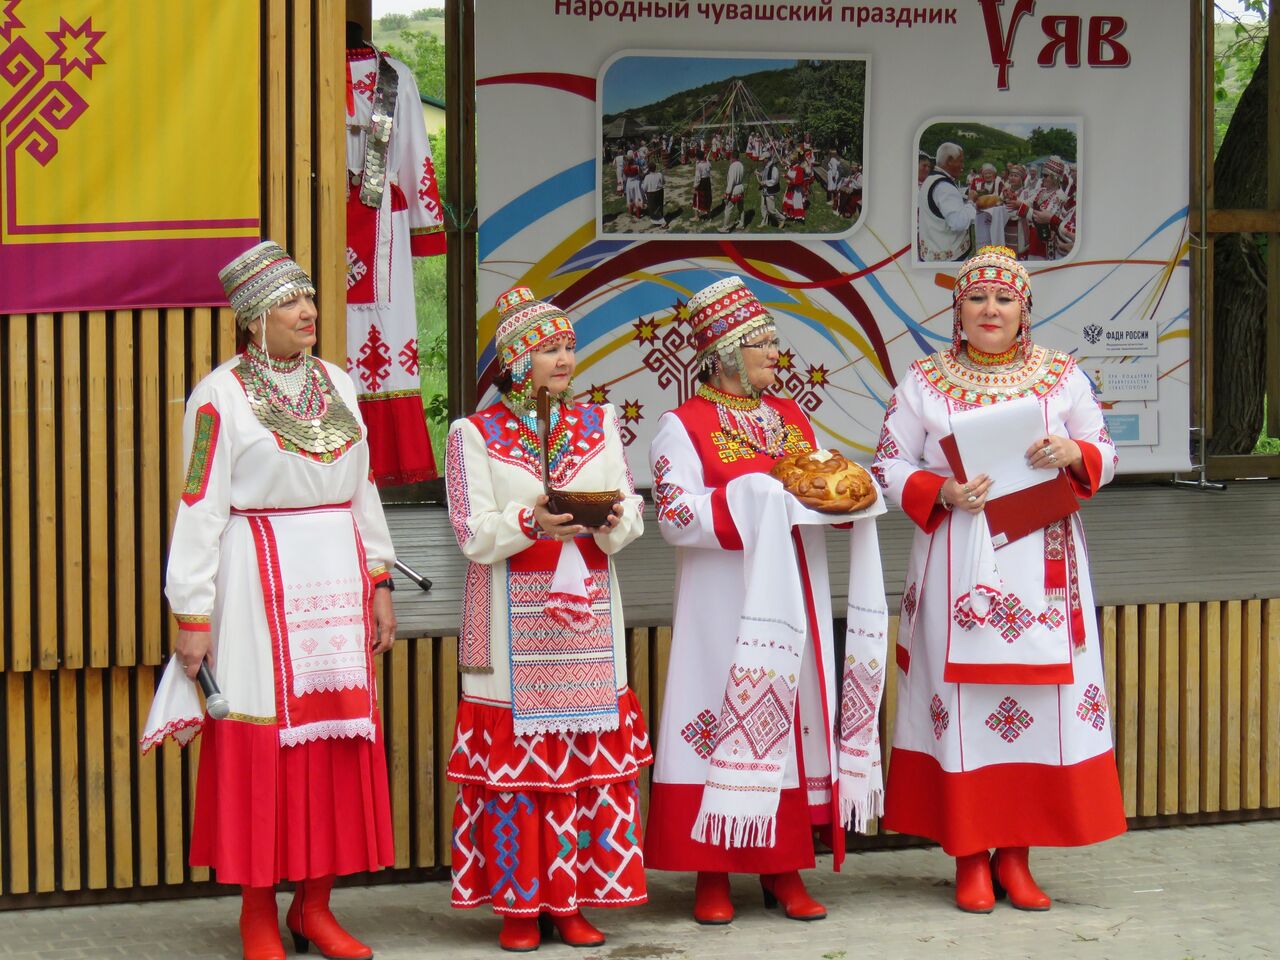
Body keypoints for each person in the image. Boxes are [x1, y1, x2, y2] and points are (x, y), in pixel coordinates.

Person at [141, 241, 397, 960]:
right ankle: (257, 911)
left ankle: (315, 907)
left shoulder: (340, 387)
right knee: (261, 744)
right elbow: (199, 506)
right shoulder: (217, 397)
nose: (308, 311)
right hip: (256, 586)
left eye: (309, 298)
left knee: (335, 742)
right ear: (253, 319)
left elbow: (363, 489)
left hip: (335, 583)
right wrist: (192, 613)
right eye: (289, 302)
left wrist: (378, 579)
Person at [871, 245, 1126, 914]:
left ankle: (1016, 858)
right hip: (960, 562)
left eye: (1004, 299)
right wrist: (942, 489)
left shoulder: (1062, 377)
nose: (991, 309)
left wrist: (1076, 452)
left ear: (1025, 311)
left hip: (1041, 566)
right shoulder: (923, 380)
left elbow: (1105, 447)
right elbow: (886, 466)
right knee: (964, 712)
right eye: (978, 298)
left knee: (1039, 714)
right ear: (957, 309)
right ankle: (968, 859)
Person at [645, 276, 888, 926]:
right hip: (721, 602)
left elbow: (811, 491)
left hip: (789, 598)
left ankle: (784, 870)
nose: (775, 355)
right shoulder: (680, 426)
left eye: (775, 343)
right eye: (763, 344)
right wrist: (752, 498)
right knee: (721, 718)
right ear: (724, 350)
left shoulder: (788, 419)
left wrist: (843, 498)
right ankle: (712, 874)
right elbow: (673, 515)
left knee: (787, 720)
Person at [444, 287, 650, 952]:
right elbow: (470, 532)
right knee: (517, 775)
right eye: (550, 348)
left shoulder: (599, 421)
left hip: (585, 618)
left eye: (567, 346)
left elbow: (629, 506)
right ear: (516, 360)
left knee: (580, 769)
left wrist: (617, 518)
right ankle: (517, 907)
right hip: (511, 622)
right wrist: (530, 519)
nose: (565, 357)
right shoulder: (472, 433)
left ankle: (571, 901)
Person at [918, 142, 976, 261]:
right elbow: (958, 223)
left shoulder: (931, 179)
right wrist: (970, 202)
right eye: (960, 161)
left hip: (931, 252)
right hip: (949, 259)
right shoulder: (945, 187)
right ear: (949, 160)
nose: (962, 166)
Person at [719, 150, 746, 232]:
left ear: (732, 157)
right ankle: (741, 223)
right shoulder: (741, 165)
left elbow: (731, 181)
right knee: (741, 208)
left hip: (734, 189)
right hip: (740, 187)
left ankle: (725, 227)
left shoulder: (732, 166)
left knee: (728, 209)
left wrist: (727, 193)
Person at [781, 149, 809, 223]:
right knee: (790, 202)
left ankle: (798, 218)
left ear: (795, 160)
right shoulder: (792, 167)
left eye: (791, 160)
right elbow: (791, 176)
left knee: (796, 203)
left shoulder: (799, 169)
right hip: (791, 189)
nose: (790, 161)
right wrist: (785, 176)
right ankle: (791, 215)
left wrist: (790, 182)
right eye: (790, 160)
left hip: (796, 190)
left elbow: (799, 182)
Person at [643, 161, 667, 226]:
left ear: (648, 169)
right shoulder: (659, 174)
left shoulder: (647, 177)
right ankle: (658, 221)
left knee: (653, 208)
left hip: (651, 194)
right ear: (655, 168)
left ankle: (662, 222)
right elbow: (664, 182)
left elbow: (644, 187)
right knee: (659, 207)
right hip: (659, 192)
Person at [692, 149, 713, 221]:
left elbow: (697, 178)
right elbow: (710, 167)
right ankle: (709, 215)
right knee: (707, 197)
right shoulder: (707, 163)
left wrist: (695, 187)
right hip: (707, 182)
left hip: (701, 183)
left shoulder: (699, 166)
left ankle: (696, 217)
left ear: (697, 157)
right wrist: (706, 159)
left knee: (697, 198)